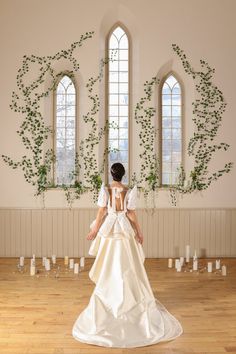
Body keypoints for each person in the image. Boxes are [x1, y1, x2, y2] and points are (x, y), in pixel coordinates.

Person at [72, 162, 183, 348]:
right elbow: (131, 214)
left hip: (110, 229)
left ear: (111, 174)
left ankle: (110, 296)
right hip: (123, 229)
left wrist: (95, 230)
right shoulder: (129, 191)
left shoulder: (106, 189)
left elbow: (101, 211)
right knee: (128, 266)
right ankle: (129, 297)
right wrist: (139, 232)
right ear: (123, 175)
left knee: (110, 266)